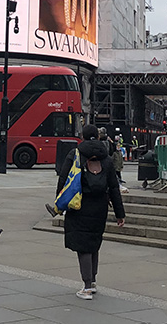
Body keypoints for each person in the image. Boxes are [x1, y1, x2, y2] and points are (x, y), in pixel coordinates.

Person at [52, 124, 125, 300]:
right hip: (99, 206)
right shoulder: (106, 158)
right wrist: (119, 213)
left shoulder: (75, 154)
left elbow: (63, 178)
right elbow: (114, 187)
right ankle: (92, 281)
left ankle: (86, 287)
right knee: (93, 242)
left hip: (79, 205)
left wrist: (59, 203)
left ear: (82, 136)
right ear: (98, 137)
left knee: (82, 246)